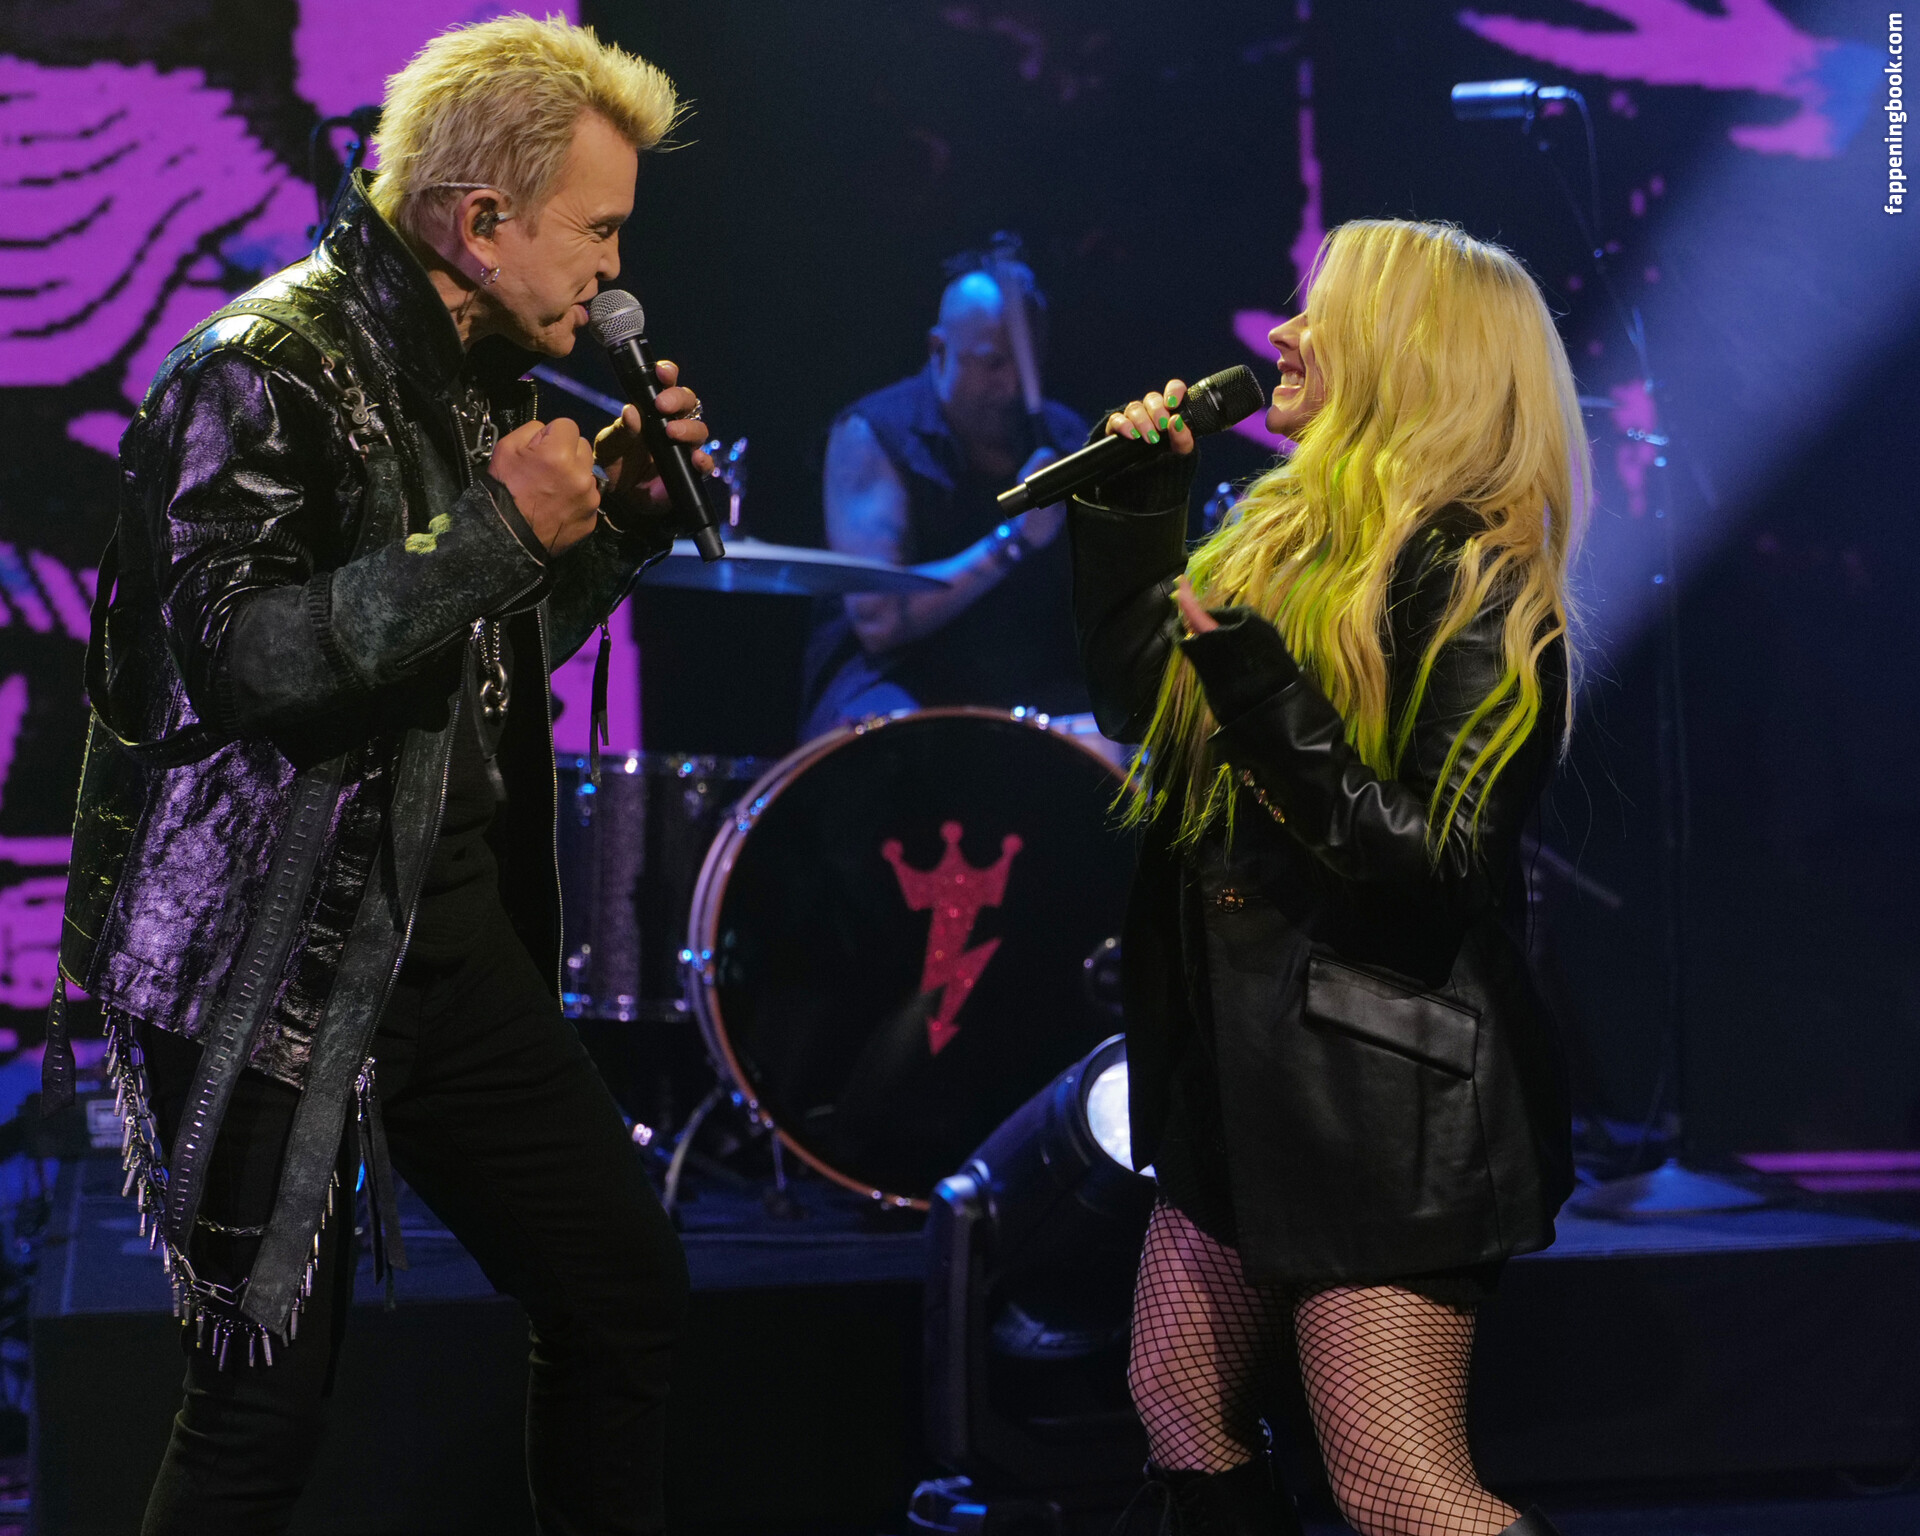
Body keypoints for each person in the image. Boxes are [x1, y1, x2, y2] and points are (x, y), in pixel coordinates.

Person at [44, 18, 709, 1534]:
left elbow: (463, 659)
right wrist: (496, 531)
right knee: (257, 1412)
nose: (615, 270)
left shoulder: (474, 371)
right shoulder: (255, 372)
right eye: (596, 230)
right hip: (266, 968)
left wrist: (614, 524)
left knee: (622, 1293)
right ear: (480, 221)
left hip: (441, 944)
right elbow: (245, 661)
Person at [1070, 220, 1584, 1536]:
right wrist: (1135, 519)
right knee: (1185, 1419)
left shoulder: (1478, 581)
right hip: (1238, 1075)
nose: (1283, 336)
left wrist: (1258, 689)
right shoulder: (1279, 536)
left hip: (1380, 1103)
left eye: (1319, 313)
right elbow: (1142, 707)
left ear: (1408, 355)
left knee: (1400, 1494)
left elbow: (1431, 862)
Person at [799, 249, 1091, 737]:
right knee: (900, 740)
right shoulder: (873, 434)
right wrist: (1014, 540)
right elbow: (878, 621)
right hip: (893, 681)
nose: (1012, 386)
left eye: (1025, 364)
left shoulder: (1063, 437)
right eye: (992, 363)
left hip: (1024, 685)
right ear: (938, 349)